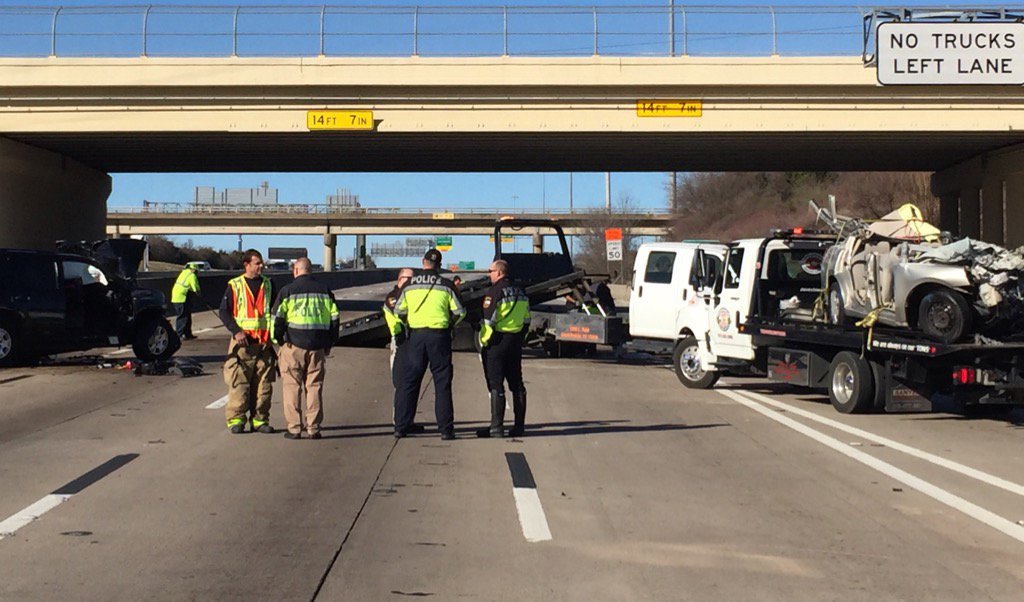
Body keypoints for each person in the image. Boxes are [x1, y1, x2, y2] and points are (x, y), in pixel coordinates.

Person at [393, 249, 465, 440]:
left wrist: (408, 322)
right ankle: (446, 429)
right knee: (442, 383)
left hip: (416, 337)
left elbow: (398, 310)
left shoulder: (409, 285)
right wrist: (449, 324)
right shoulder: (447, 285)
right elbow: (460, 312)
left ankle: (401, 426)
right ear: (439, 265)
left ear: (423, 262)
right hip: (439, 337)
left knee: (409, 382)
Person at [272, 258, 339, 440]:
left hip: (293, 345)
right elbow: (334, 319)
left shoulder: (287, 291)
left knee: (292, 387)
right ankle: (313, 428)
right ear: (310, 270)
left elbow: (277, 319)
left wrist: (278, 340)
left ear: (295, 270)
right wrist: (329, 343)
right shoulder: (324, 291)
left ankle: (294, 428)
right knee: (314, 387)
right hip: (317, 346)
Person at [219, 249, 277, 435]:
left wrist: (273, 337)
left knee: (264, 384)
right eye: (257, 263)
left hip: (263, 343)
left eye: (261, 263)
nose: (261, 266)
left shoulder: (268, 285)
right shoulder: (235, 286)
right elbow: (224, 312)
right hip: (242, 345)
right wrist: (236, 331)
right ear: (247, 265)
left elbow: (275, 313)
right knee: (239, 382)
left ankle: (260, 420)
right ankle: (236, 419)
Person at [477, 259, 531, 438]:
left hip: (497, 343)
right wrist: (519, 338)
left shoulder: (494, 292)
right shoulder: (521, 291)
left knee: (496, 384)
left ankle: (496, 427)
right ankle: (519, 427)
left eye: (490, 271)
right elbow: (526, 319)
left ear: (499, 272)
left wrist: (485, 342)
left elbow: (488, 321)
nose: (489, 274)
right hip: (514, 342)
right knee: (517, 384)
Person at [171, 263, 201, 340]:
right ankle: (179, 334)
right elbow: (195, 286)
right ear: (193, 270)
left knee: (187, 315)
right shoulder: (192, 275)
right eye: (197, 271)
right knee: (183, 316)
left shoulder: (183, 273)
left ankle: (188, 334)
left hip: (177, 296)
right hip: (182, 297)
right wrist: (198, 293)